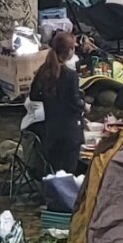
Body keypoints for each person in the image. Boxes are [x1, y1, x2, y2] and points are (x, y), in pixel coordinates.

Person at [29, 32, 86, 174]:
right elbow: (75, 102)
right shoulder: (71, 75)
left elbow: (33, 96)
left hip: (50, 129)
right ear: (69, 51)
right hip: (69, 131)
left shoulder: (43, 71)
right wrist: (85, 106)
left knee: (53, 169)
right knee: (69, 171)